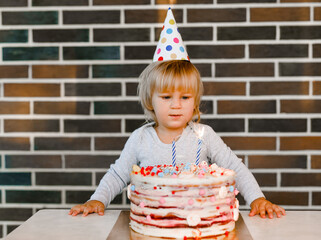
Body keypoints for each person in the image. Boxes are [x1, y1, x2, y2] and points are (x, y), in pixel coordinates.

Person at [69, 60, 286, 219]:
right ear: (150, 100)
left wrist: (257, 198)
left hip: (200, 223)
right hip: (152, 223)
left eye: (185, 97)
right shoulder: (140, 138)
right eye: (166, 97)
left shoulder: (204, 136)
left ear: (195, 101)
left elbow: (234, 167)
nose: (176, 105)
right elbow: (117, 175)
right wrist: (97, 199)